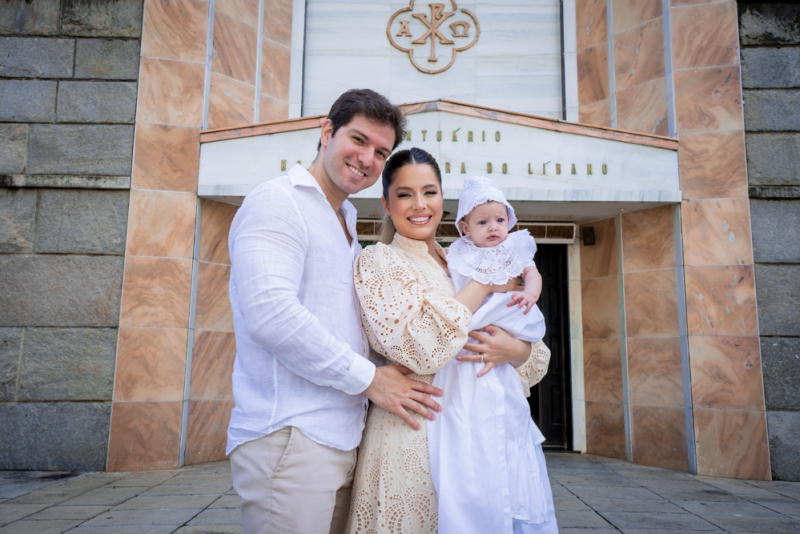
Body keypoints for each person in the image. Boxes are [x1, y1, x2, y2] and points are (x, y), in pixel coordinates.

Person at [226, 89, 444, 534]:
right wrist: (371, 379)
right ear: (327, 131)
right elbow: (272, 315)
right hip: (291, 436)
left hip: (344, 438)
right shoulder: (278, 202)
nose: (367, 158)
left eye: (381, 152)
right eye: (358, 140)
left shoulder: (344, 218)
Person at [346, 148, 551, 534]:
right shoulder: (380, 261)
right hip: (413, 436)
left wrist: (514, 350)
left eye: (430, 192)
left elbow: (536, 357)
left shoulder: (462, 260)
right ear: (387, 203)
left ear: (443, 199)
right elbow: (421, 349)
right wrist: (484, 284)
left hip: (478, 442)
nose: (420, 204)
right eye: (405, 194)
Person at [427, 175, 558, 534]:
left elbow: (532, 275)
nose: (494, 228)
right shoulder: (456, 254)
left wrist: (530, 295)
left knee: (506, 419)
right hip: (468, 332)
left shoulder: (515, 248)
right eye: (483, 222)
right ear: (465, 227)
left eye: (500, 220)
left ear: (509, 221)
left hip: (509, 319)